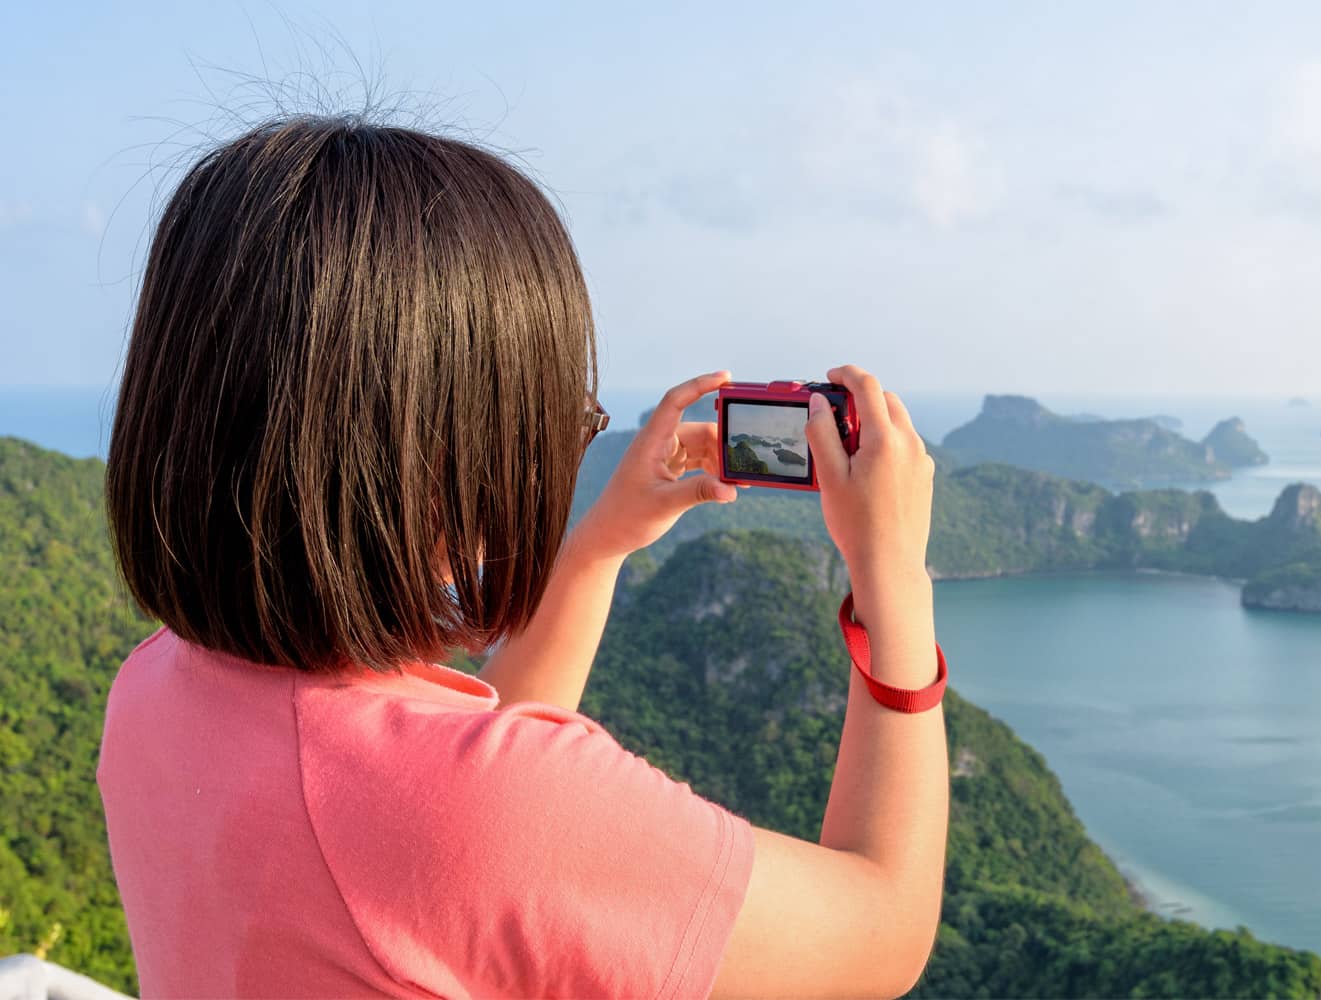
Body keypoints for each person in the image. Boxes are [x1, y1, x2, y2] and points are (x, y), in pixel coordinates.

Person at [97, 115, 946, 998]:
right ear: (434, 458)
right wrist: (894, 583)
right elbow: (879, 933)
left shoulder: (155, 689)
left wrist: (597, 550)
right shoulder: (482, 814)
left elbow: (448, 796)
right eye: (555, 419)